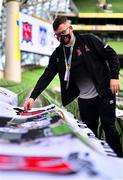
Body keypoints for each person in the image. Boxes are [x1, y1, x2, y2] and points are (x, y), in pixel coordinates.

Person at [23, 16, 122, 157]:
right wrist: (33, 97)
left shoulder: (89, 40)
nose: (61, 37)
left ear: (70, 29)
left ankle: (119, 160)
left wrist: (114, 77)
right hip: (84, 100)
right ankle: (97, 162)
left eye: (63, 32)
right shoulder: (58, 55)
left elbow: (111, 55)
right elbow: (46, 76)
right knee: (90, 133)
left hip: (103, 93)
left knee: (109, 127)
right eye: (57, 35)